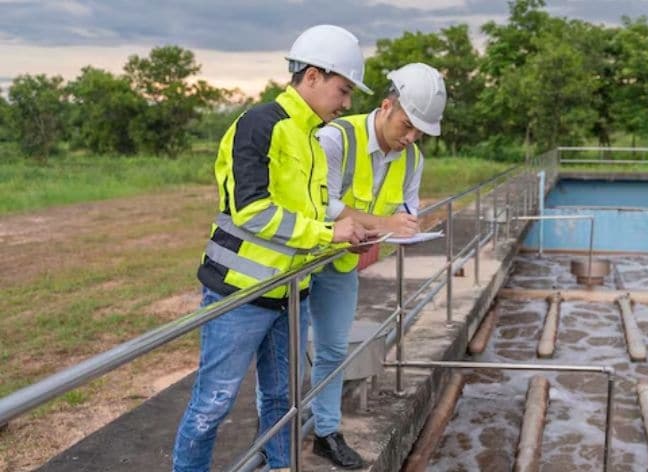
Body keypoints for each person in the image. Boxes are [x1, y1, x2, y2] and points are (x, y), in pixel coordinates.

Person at [172, 24, 372, 472]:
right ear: (313, 76)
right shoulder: (259, 125)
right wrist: (328, 234)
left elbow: (308, 217)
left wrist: (343, 236)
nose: (346, 104)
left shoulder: (313, 140)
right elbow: (252, 211)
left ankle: (281, 466)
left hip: (290, 293)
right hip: (239, 294)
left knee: (284, 400)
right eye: (343, 90)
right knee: (213, 405)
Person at [307, 63, 447, 468]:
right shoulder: (336, 138)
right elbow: (323, 204)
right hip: (301, 256)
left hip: (341, 263)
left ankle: (325, 433)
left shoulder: (412, 158)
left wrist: (401, 228)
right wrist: (384, 225)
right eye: (407, 125)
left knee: (333, 348)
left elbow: (407, 209)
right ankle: (273, 436)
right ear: (386, 106)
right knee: (287, 353)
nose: (411, 137)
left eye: (420, 132)